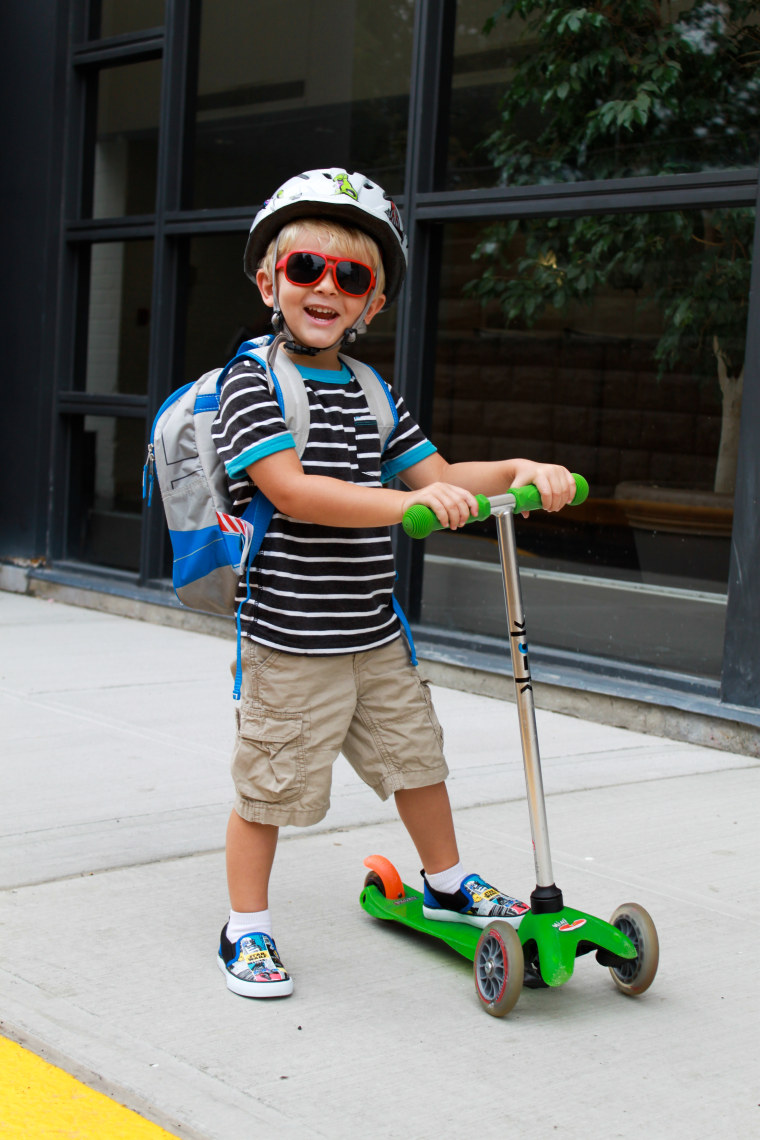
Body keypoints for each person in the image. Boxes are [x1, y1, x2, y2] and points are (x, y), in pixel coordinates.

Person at [212, 168, 577, 999]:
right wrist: (401, 505)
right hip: (293, 640)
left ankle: (445, 883)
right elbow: (291, 490)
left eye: (351, 277)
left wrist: (517, 467)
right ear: (270, 279)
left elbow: (439, 474)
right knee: (269, 789)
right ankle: (247, 928)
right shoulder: (253, 381)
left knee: (419, 763)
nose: (326, 289)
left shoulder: (375, 391)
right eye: (307, 268)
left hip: (375, 634)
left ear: (372, 302)